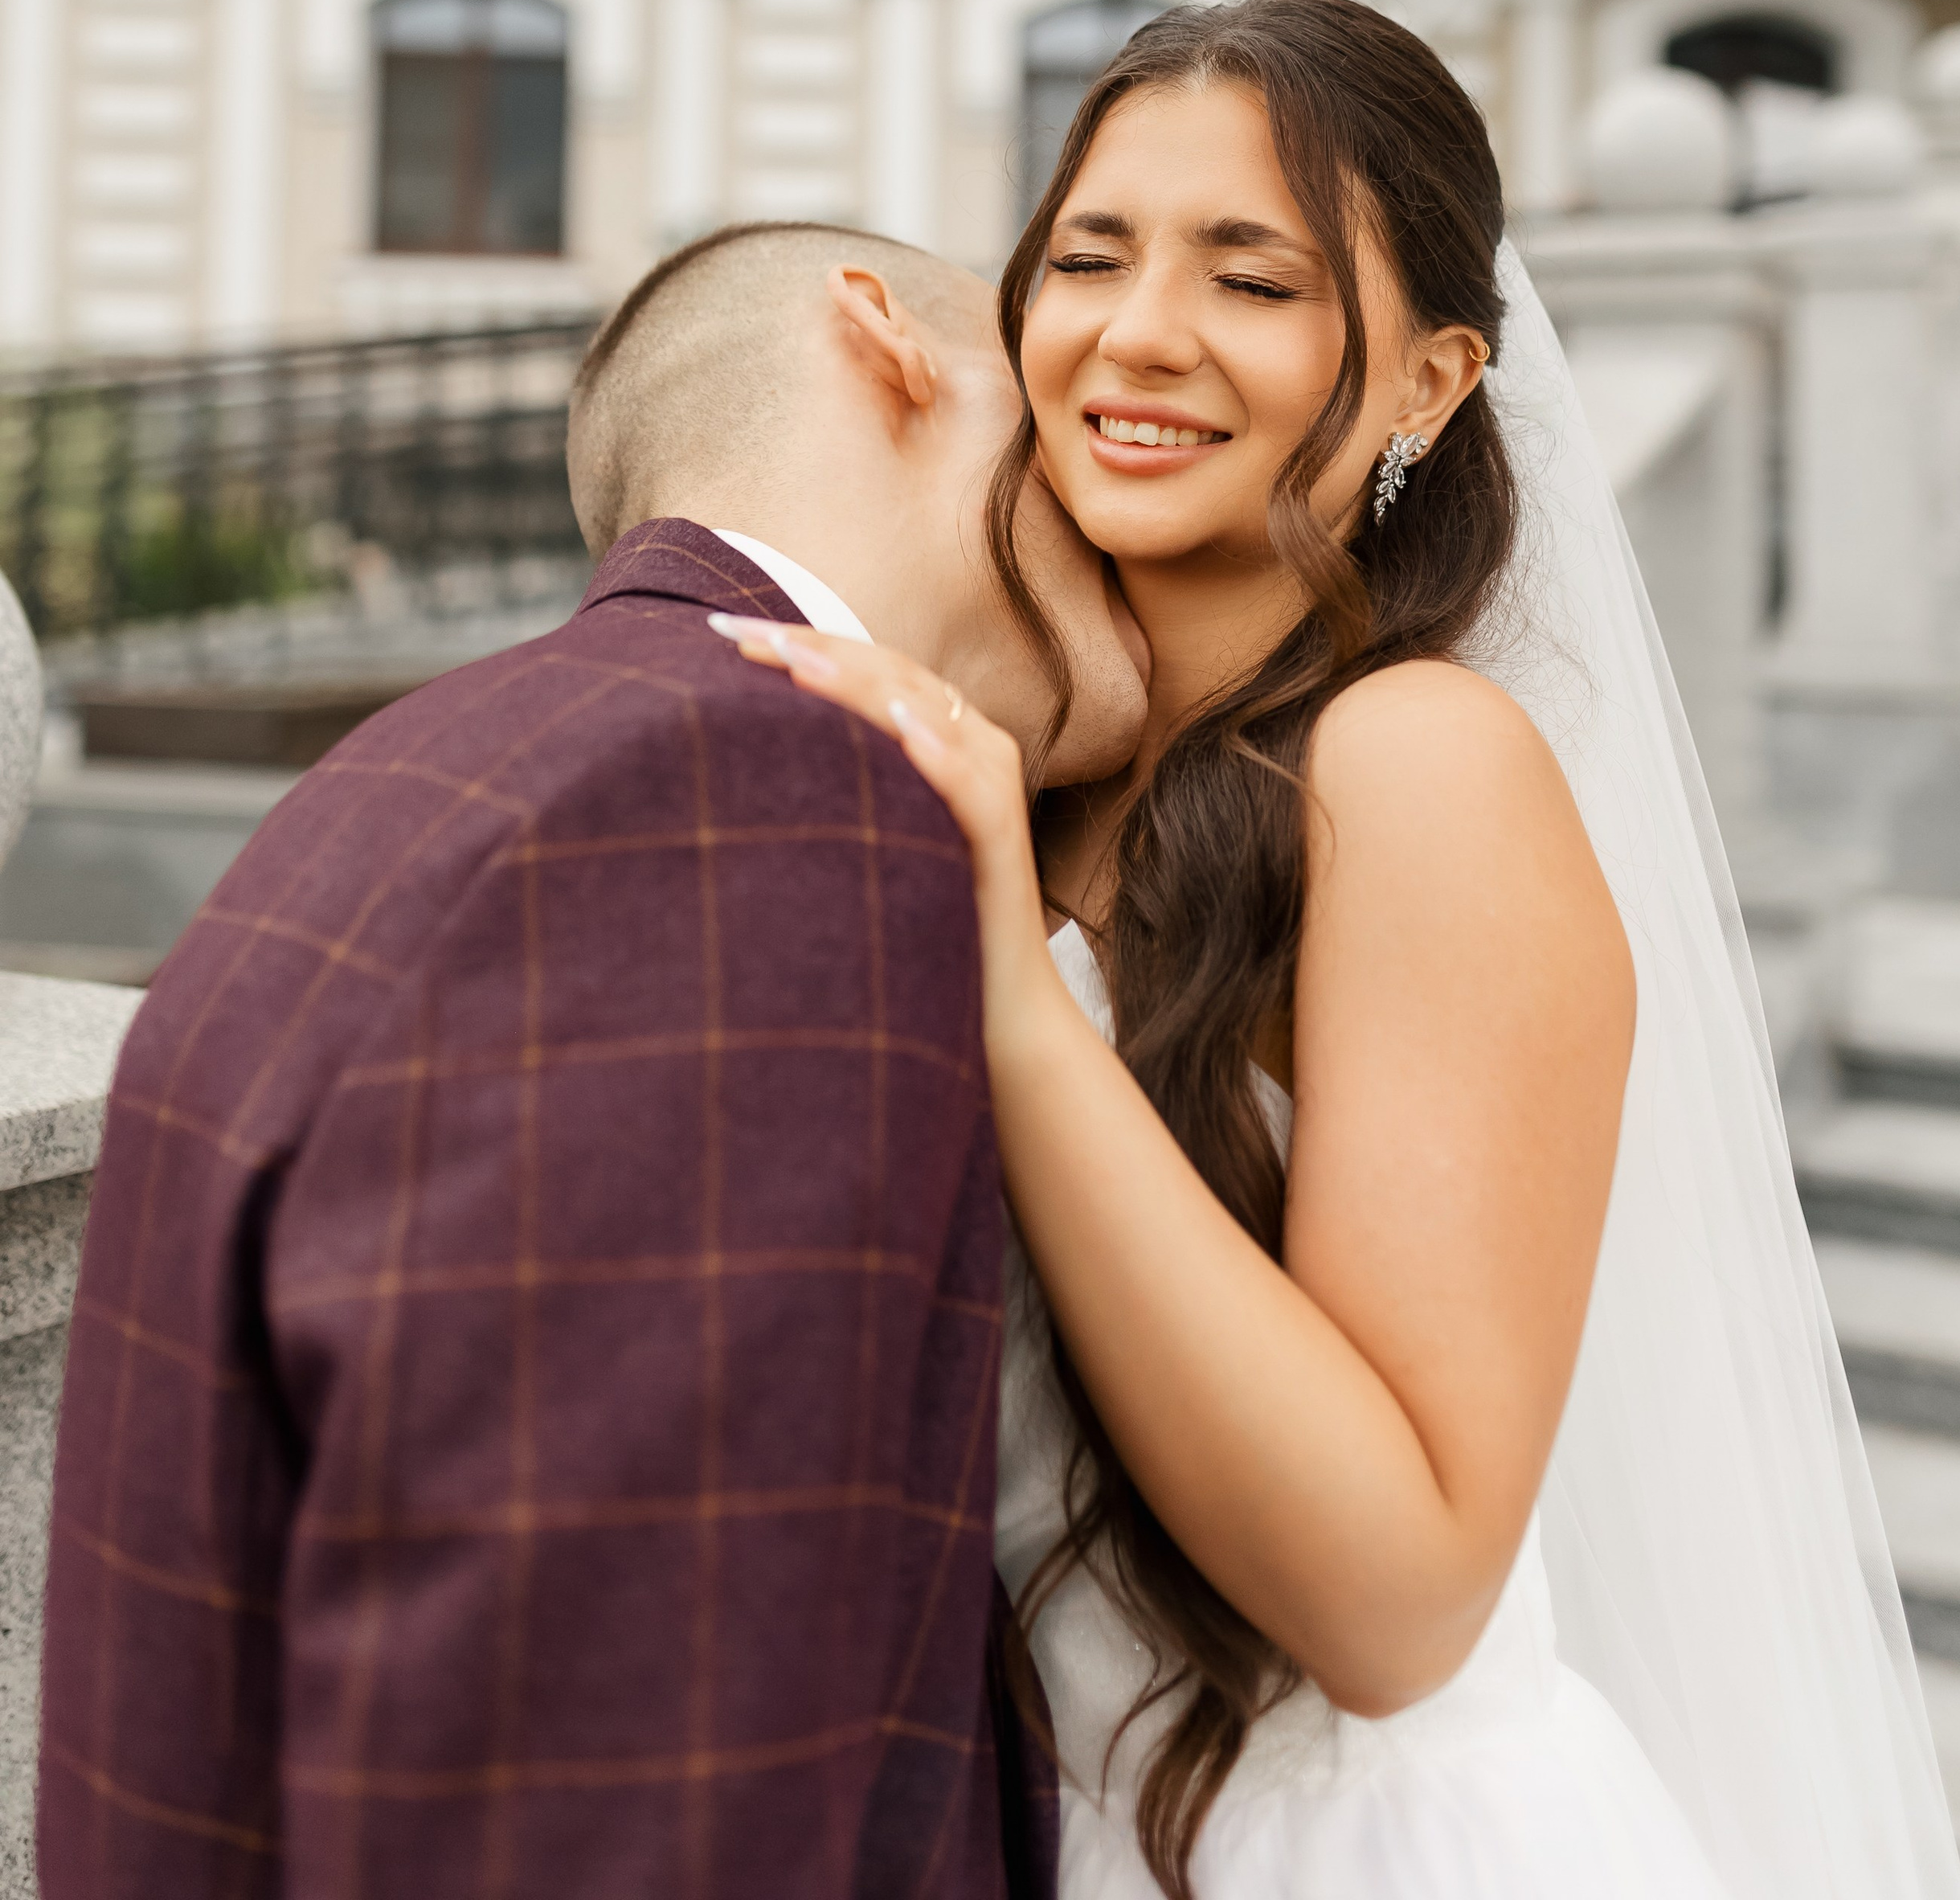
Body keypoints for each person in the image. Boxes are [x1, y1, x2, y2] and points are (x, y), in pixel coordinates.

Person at [725, 0, 1960, 1900]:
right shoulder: (1037, 780)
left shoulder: (1413, 766)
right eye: (1087, 255)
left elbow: (1400, 1602)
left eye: (1252, 279)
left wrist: (1006, 991)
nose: (1138, 333)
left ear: (1427, 381)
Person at [38, 223, 1145, 1900]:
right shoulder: (757, 791)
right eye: (1056, 394)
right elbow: (632, 1777)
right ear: (892, 337)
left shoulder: (415, 768)